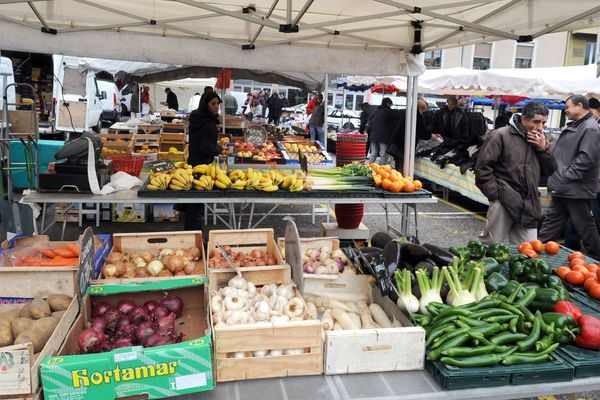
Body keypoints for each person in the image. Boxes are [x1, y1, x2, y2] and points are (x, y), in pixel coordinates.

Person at [475, 102, 556, 244]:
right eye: (536, 122)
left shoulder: (544, 139)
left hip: (529, 203)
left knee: (527, 251)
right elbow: (483, 168)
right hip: (503, 199)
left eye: (543, 123)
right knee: (490, 246)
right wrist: (496, 195)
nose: (540, 127)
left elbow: (551, 170)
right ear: (524, 119)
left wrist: (543, 149)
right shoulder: (500, 135)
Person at [537, 95, 600, 258]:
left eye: (568, 107)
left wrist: (564, 177)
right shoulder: (579, 125)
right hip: (565, 188)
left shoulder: (589, 128)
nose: (566, 111)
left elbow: (586, 159)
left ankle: (596, 257)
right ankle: (535, 252)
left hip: (575, 189)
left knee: (584, 226)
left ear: (579, 106)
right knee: (551, 222)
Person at [182, 92, 223, 230]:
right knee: (197, 206)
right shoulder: (209, 124)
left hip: (192, 163)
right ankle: (195, 236)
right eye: (213, 103)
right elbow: (207, 148)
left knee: (192, 205)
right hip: (202, 167)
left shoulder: (195, 118)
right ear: (205, 104)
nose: (216, 106)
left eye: (218, 103)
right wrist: (220, 149)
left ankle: (190, 233)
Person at [387, 98, 432, 171]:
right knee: (403, 166)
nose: (424, 112)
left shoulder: (407, 112)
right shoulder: (418, 117)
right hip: (404, 145)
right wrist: (430, 134)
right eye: (424, 110)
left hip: (396, 143)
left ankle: (396, 179)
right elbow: (422, 133)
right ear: (421, 108)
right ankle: (400, 180)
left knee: (398, 165)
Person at [367, 98, 399, 165]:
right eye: (390, 105)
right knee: (383, 154)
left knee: (373, 153)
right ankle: (381, 169)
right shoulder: (390, 112)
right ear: (388, 103)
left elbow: (369, 122)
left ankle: (368, 168)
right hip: (383, 137)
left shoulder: (375, 111)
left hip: (373, 136)